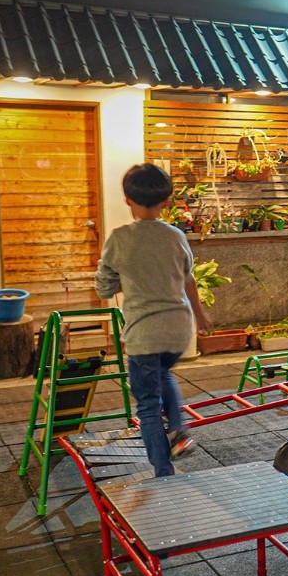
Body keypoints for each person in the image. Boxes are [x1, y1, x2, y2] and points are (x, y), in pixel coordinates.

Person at [94, 163, 213, 476]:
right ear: (166, 201)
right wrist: (200, 314)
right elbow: (187, 278)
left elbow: (105, 286)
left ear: (127, 200)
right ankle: (178, 430)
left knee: (147, 405)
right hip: (177, 329)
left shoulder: (120, 238)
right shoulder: (175, 236)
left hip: (144, 332)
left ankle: (163, 470)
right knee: (163, 372)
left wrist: (124, 280)